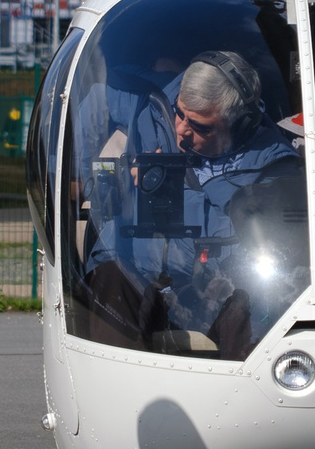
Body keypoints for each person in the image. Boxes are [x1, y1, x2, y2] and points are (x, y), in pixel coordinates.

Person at [78, 50, 299, 356]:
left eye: (202, 127)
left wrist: (168, 184)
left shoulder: (276, 165)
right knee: (111, 278)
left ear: (241, 124)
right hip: (140, 266)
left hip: (223, 284)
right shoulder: (153, 105)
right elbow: (98, 94)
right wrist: (85, 177)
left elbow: (251, 236)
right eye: (179, 113)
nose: (181, 129)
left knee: (250, 304)